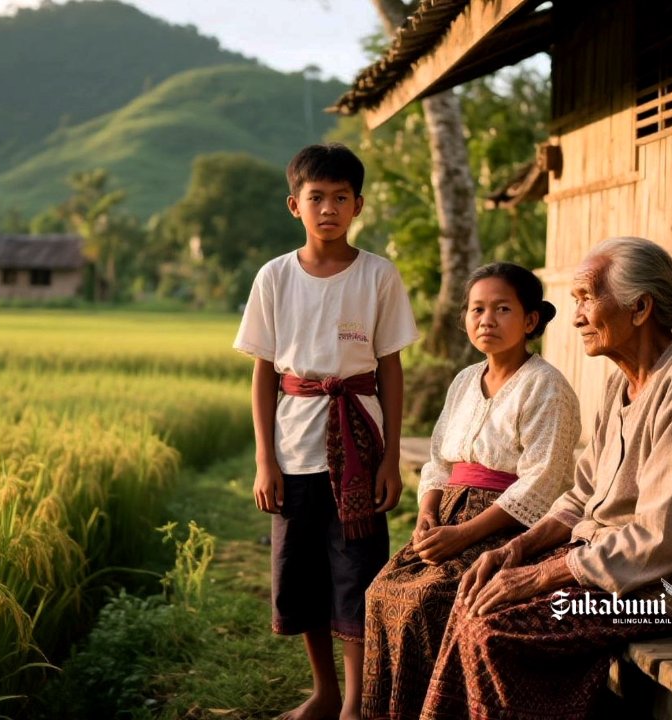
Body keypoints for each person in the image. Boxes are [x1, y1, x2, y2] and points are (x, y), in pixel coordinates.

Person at [420, 236, 672, 720]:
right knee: (474, 594)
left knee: (497, 628)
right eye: (576, 301)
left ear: (640, 308)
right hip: (628, 558)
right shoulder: (622, 380)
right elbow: (583, 492)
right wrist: (515, 550)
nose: (575, 316)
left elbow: (662, 540)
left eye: (588, 298)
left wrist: (541, 574)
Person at [234, 143, 419, 720]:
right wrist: (266, 460)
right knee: (305, 572)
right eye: (317, 197)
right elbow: (265, 373)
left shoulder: (378, 276)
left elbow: (389, 367)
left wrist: (390, 458)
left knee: (358, 571)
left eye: (342, 197)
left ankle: (357, 703)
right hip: (295, 451)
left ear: (359, 204)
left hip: (360, 447)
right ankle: (325, 691)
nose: (329, 208)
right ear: (295, 205)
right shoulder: (275, 277)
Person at [363, 263, 581, 720]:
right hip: (448, 516)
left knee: (427, 601)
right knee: (382, 590)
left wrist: (465, 536)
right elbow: (441, 460)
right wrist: (429, 513)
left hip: (506, 528)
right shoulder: (464, 381)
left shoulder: (546, 387)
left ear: (530, 321)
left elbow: (541, 481)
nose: (487, 320)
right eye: (478, 309)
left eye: (503, 309)